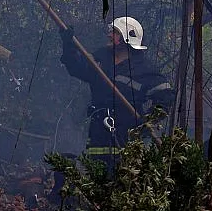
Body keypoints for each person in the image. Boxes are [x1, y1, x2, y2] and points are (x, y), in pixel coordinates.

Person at [59, 16, 175, 170]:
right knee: (97, 178)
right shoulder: (100, 58)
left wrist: (147, 123)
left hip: (127, 135)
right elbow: (77, 68)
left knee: (124, 181)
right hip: (98, 132)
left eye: (114, 32)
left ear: (126, 37)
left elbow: (165, 96)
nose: (109, 35)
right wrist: (68, 45)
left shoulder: (144, 69)